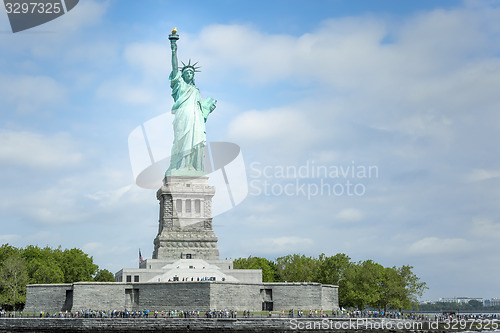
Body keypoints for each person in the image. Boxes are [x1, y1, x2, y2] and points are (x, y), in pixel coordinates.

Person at [166, 33, 216, 176]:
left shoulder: (196, 91)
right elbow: (175, 68)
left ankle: (193, 168)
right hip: (183, 117)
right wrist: (173, 49)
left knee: (195, 142)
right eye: (186, 72)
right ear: (183, 75)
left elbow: (202, 111)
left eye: (191, 72)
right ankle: (179, 167)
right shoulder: (179, 85)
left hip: (195, 120)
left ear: (193, 76)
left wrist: (208, 109)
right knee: (181, 141)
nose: (189, 73)